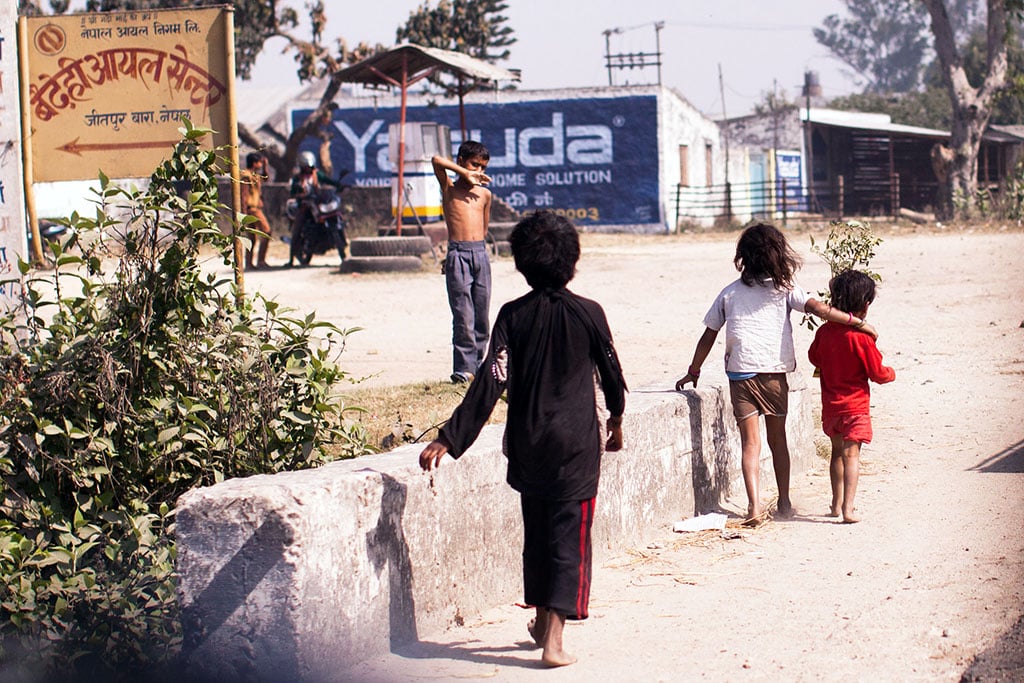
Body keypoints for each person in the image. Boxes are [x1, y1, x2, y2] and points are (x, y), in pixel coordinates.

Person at [419, 210, 627, 668]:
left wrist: (451, 439)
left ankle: (538, 620)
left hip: (529, 444)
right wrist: (616, 419)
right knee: (569, 537)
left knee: (537, 534)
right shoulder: (590, 313)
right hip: (576, 447)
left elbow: (490, 380)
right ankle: (553, 640)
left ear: (521, 263)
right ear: (571, 261)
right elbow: (612, 372)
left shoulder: (513, 315)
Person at [674, 222, 878, 525]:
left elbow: (709, 335)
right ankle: (783, 501)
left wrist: (694, 370)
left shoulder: (729, 293)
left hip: (740, 374)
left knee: (751, 445)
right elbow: (821, 310)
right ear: (779, 256)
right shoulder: (786, 290)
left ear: (743, 257)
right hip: (773, 375)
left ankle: (754, 506)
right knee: (777, 440)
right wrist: (855, 322)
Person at [808, 270, 896, 523]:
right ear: (865, 304)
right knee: (852, 456)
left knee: (836, 453)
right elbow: (877, 373)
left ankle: (835, 505)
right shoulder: (862, 338)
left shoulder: (824, 333)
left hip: (831, 407)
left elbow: (814, 357)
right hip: (855, 408)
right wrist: (891, 373)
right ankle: (849, 509)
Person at [431, 141, 492, 384]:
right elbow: (436, 160)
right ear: (460, 162)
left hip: (480, 255)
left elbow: (484, 229)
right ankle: (464, 368)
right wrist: (464, 173)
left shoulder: (485, 195)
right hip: (458, 254)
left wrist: (480, 252)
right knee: (463, 314)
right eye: (473, 164)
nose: (478, 171)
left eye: (483, 167)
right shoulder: (449, 189)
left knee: (481, 315)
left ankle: (477, 366)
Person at [287, 150, 344, 268]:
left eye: (310, 166)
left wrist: (339, 185)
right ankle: (291, 259)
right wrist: (299, 194)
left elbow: (329, 181)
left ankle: (342, 253)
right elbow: (292, 192)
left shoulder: (317, 174)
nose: (308, 168)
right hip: (304, 206)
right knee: (297, 229)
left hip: (317, 203)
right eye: (306, 166)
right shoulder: (298, 178)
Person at [240, 152, 272, 270]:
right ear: (254, 163)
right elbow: (243, 195)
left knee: (252, 237)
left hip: (255, 209)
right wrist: (243, 214)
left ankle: (249, 263)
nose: (260, 164)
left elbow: (266, 178)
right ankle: (261, 260)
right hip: (252, 209)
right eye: (259, 162)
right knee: (266, 232)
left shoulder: (254, 175)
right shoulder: (246, 176)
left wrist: (265, 166)